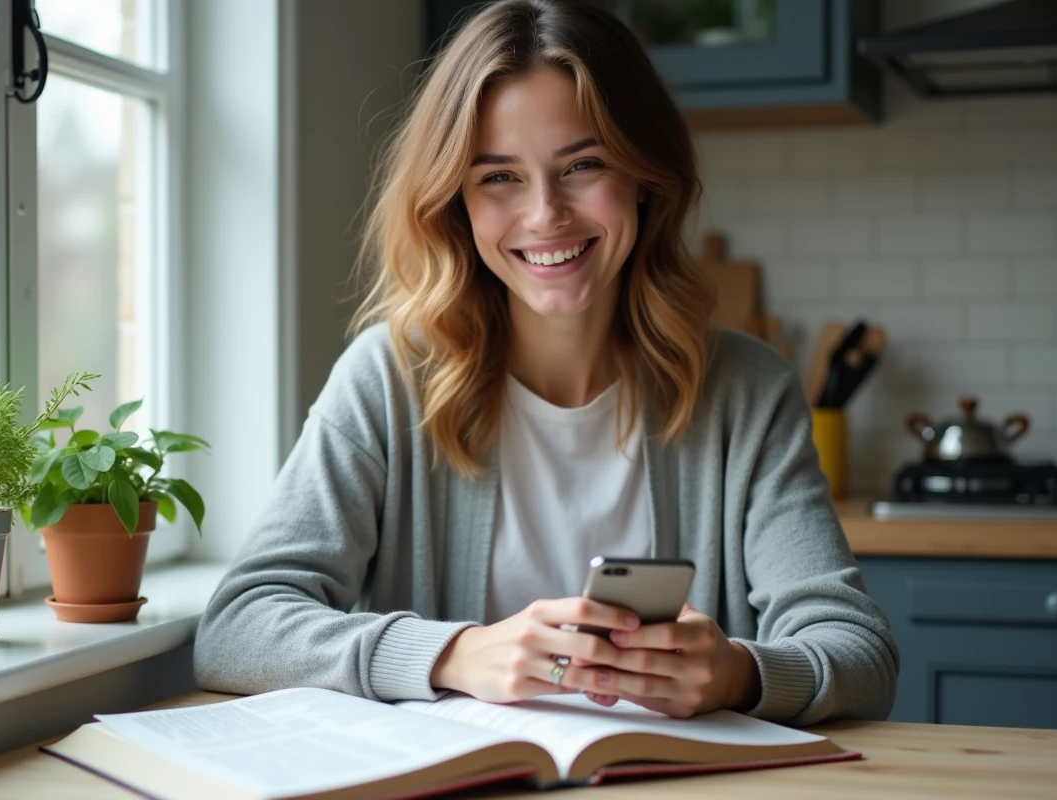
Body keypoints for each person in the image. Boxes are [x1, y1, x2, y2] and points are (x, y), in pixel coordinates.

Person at [194, 0, 898, 726]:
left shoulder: (746, 390)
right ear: (454, 201)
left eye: (583, 165)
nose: (544, 215)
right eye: (499, 177)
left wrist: (737, 674)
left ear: (647, 177)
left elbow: (859, 652)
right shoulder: (387, 379)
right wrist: (456, 656)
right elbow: (237, 628)